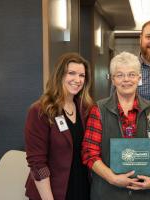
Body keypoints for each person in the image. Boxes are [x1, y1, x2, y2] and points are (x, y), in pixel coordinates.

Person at [82, 51, 150, 200]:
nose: (126, 80)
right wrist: (112, 178)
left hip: (145, 194)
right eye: (120, 75)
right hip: (107, 193)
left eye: (132, 74)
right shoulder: (99, 110)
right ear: (113, 80)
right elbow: (89, 153)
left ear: (139, 78)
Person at [24, 53, 93, 200]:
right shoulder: (40, 110)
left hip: (82, 187)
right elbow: (37, 163)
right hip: (53, 192)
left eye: (82, 75)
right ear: (60, 75)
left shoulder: (85, 108)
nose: (77, 80)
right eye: (71, 73)